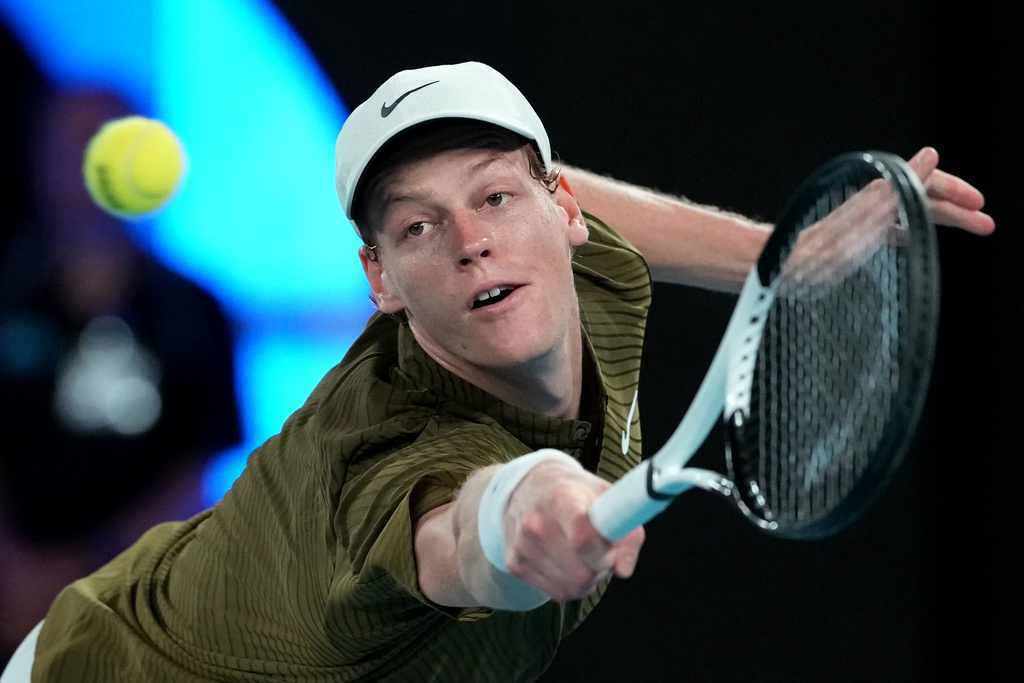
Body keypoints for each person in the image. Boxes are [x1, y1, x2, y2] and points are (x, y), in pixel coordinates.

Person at [25, 62, 992, 682]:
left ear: (563, 208)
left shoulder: (583, 265)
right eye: (417, 227)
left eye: (497, 195)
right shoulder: (382, 462)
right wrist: (529, 508)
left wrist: (787, 256)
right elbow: (470, 529)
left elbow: (555, 202)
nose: (474, 243)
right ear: (380, 281)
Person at [0, 90, 241, 667]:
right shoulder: (10, 298)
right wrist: (15, 567)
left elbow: (200, 465)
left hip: (146, 605)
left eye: (98, 144)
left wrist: (102, 571)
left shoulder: (193, 310)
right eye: (64, 146)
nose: (80, 166)